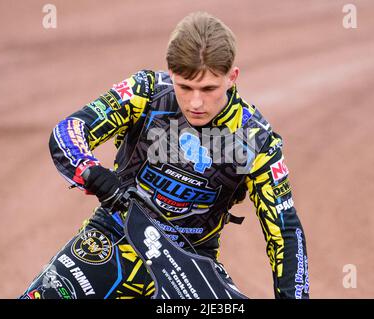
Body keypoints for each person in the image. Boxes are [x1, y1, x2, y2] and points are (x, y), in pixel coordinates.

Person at [20, 11, 309, 299]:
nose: (196, 102)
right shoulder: (145, 91)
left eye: (209, 88)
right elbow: (69, 130)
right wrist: (91, 170)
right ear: (171, 71)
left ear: (232, 77)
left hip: (191, 265)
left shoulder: (256, 138)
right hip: (113, 240)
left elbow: (285, 230)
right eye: (185, 87)